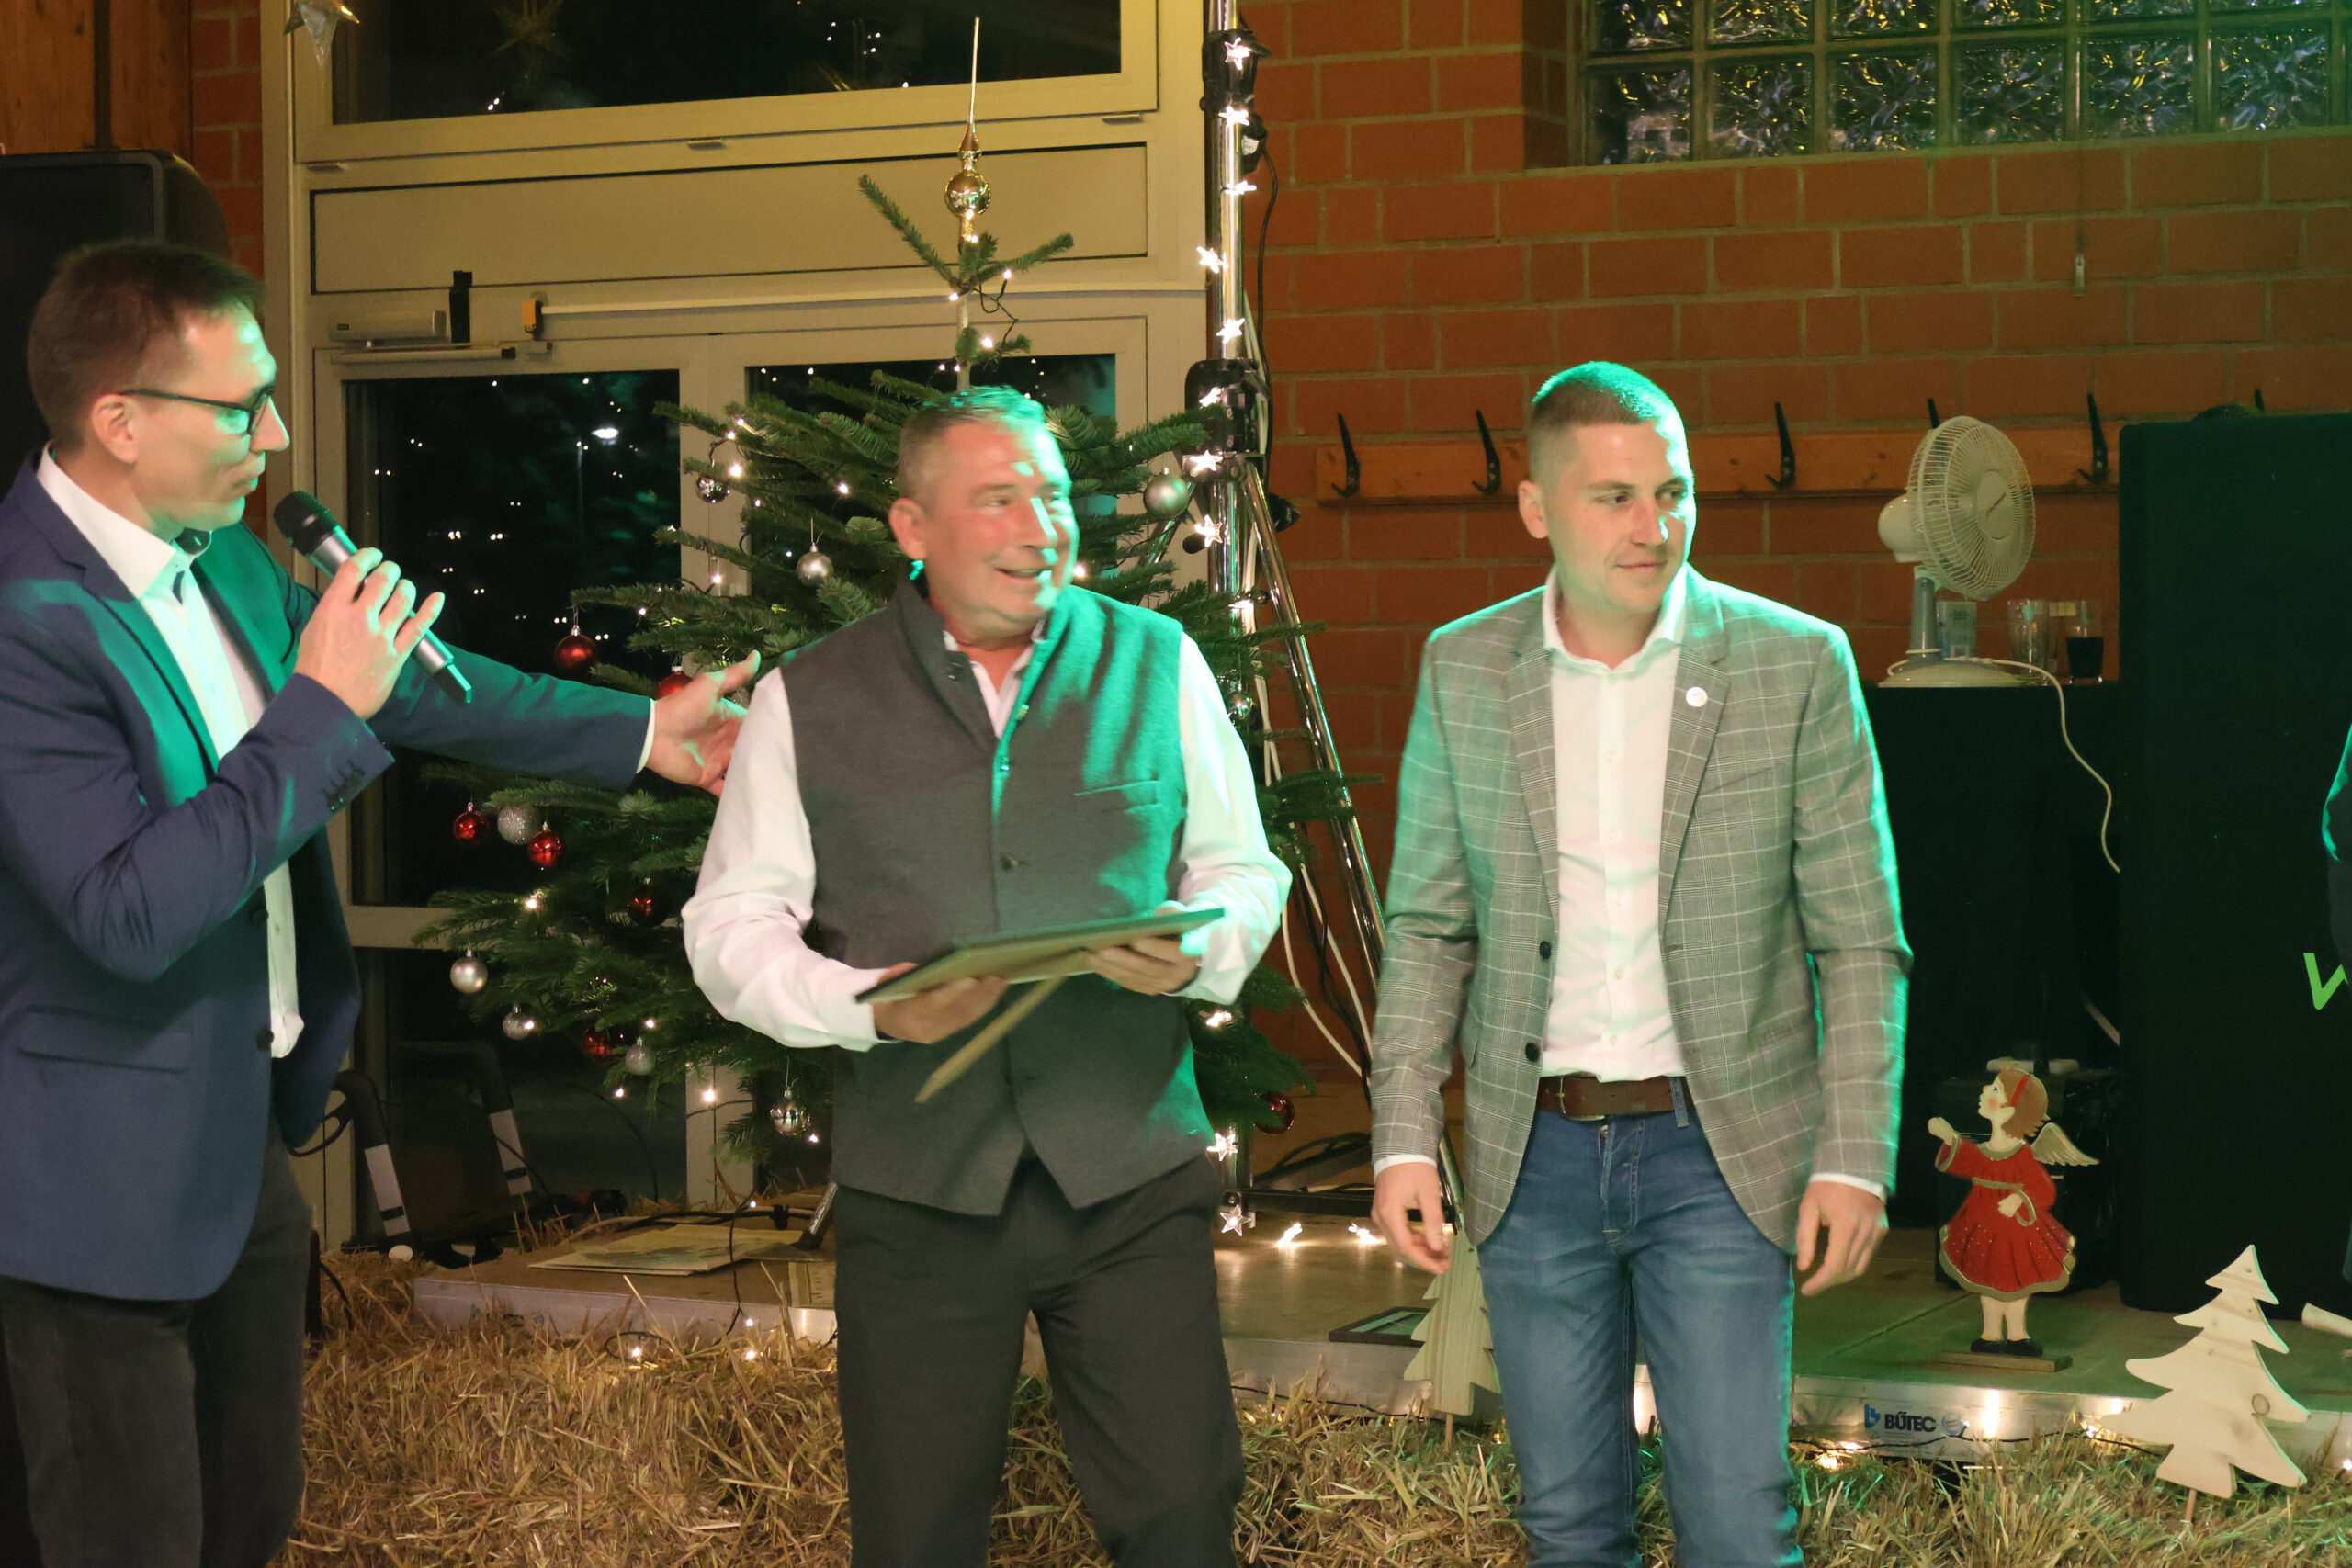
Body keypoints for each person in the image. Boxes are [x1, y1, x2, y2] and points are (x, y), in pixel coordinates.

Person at [0, 240, 752, 1568]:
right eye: (242, 406)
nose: (276, 436)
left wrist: (646, 732)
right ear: (118, 420)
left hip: (238, 1144)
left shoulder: (227, 562)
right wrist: (317, 705)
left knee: (251, 1518)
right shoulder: (24, 618)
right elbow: (127, 912)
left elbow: (417, 681)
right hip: (93, 1176)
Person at [683, 386, 1290, 1568]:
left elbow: (1241, 869)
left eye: (1052, 497)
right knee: (915, 1536)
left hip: (1130, 1180)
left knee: (1182, 1514)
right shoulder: (808, 696)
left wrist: (1197, 946)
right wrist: (867, 1006)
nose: (1040, 528)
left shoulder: (1155, 660)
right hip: (918, 1194)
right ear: (912, 528)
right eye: (998, 500)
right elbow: (731, 925)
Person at [1367, 362, 1908, 1568]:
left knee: (1736, 1526)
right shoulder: (1465, 665)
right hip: (1531, 1156)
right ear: (1535, 507)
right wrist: (1402, 1132)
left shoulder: (1793, 662)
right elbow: (1430, 925)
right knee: (1568, 1527)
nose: (1651, 527)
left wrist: (1852, 1155)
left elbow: (1860, 937)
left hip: (1718, 1152)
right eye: (1613, 497)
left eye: (1671, 493)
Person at [1926, 1066, 2088, 1357]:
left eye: (1995, 1089)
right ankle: (1990, 1334)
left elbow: (2044, 1189)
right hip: (1981, 1222)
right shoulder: (1987, 1150)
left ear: (2011, 1109)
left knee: (2016, 1281)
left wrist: (2019, 1199)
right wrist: (1950, 1138)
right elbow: (1974, 1162)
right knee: (1987, 1281)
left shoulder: (2022, 1153)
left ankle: (2017, 1335)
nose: (1984, 1090)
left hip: (2015, 1231)